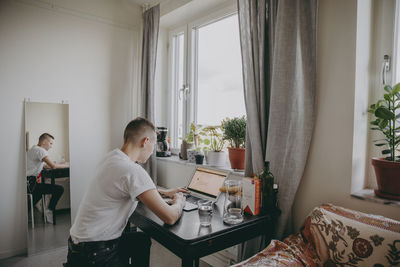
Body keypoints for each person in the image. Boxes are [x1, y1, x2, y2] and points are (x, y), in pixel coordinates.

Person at [66, 117, 188, 267]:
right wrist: (179, 201)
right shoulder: (132, 170)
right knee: (141, 241)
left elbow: (126, 186)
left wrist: (164, 192)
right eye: (154, 145)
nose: (152, 151)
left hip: (78, 249)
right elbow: (170, 217)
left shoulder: (111, 158)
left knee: (140, 241)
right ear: (145, 142)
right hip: (96, 256)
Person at [26, 133, 65, 223]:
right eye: (51, 143)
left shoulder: (33, 149)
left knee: (38, 193)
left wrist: (46, 166)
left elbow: (41, 165)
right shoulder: (41, 150)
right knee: (59, 189)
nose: (51, 146)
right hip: (31, 184)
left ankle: (25, 214)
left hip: (28, 183)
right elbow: (53, 166)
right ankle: (49, 210)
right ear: (44, 142)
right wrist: (67, 165)